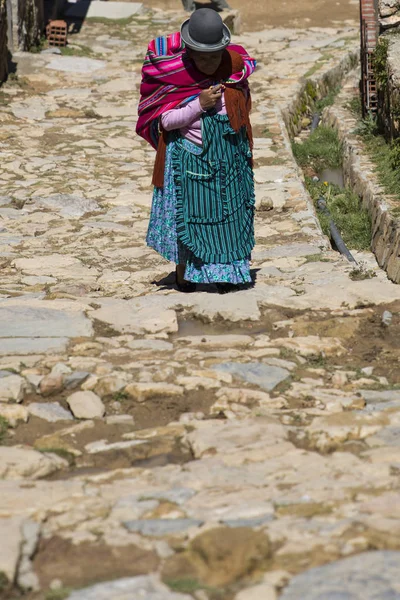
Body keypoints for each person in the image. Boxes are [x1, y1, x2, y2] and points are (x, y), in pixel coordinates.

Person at [136, 8, 256, 293]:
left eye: (213, 56)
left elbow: (243, 109)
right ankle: (185, 276)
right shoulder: (174, 77)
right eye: (201, 57)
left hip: (228, 162)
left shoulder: (234, 71)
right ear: (189, 52)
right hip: (191, 166)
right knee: (189, 220)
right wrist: (198, 106)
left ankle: (228, 274)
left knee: (229, 219)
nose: (207, 63)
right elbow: (165, 120)